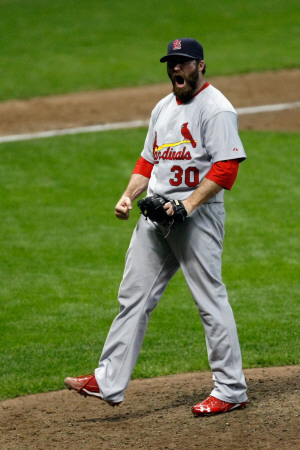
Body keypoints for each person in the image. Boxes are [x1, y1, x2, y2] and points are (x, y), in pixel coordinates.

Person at [65, 38, 248, 416]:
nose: (176, 69)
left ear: (200, 66)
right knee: (132, 296)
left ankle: (231, 389)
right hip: (155, 217)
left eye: (183, 63)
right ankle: (109, 378)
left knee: (209, 299)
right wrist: (128, 195)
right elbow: (148, 162)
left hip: (197, 217)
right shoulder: (163, 108)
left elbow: (226, 167)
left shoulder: (216, 110)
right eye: (172, 63)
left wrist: (187, 205)